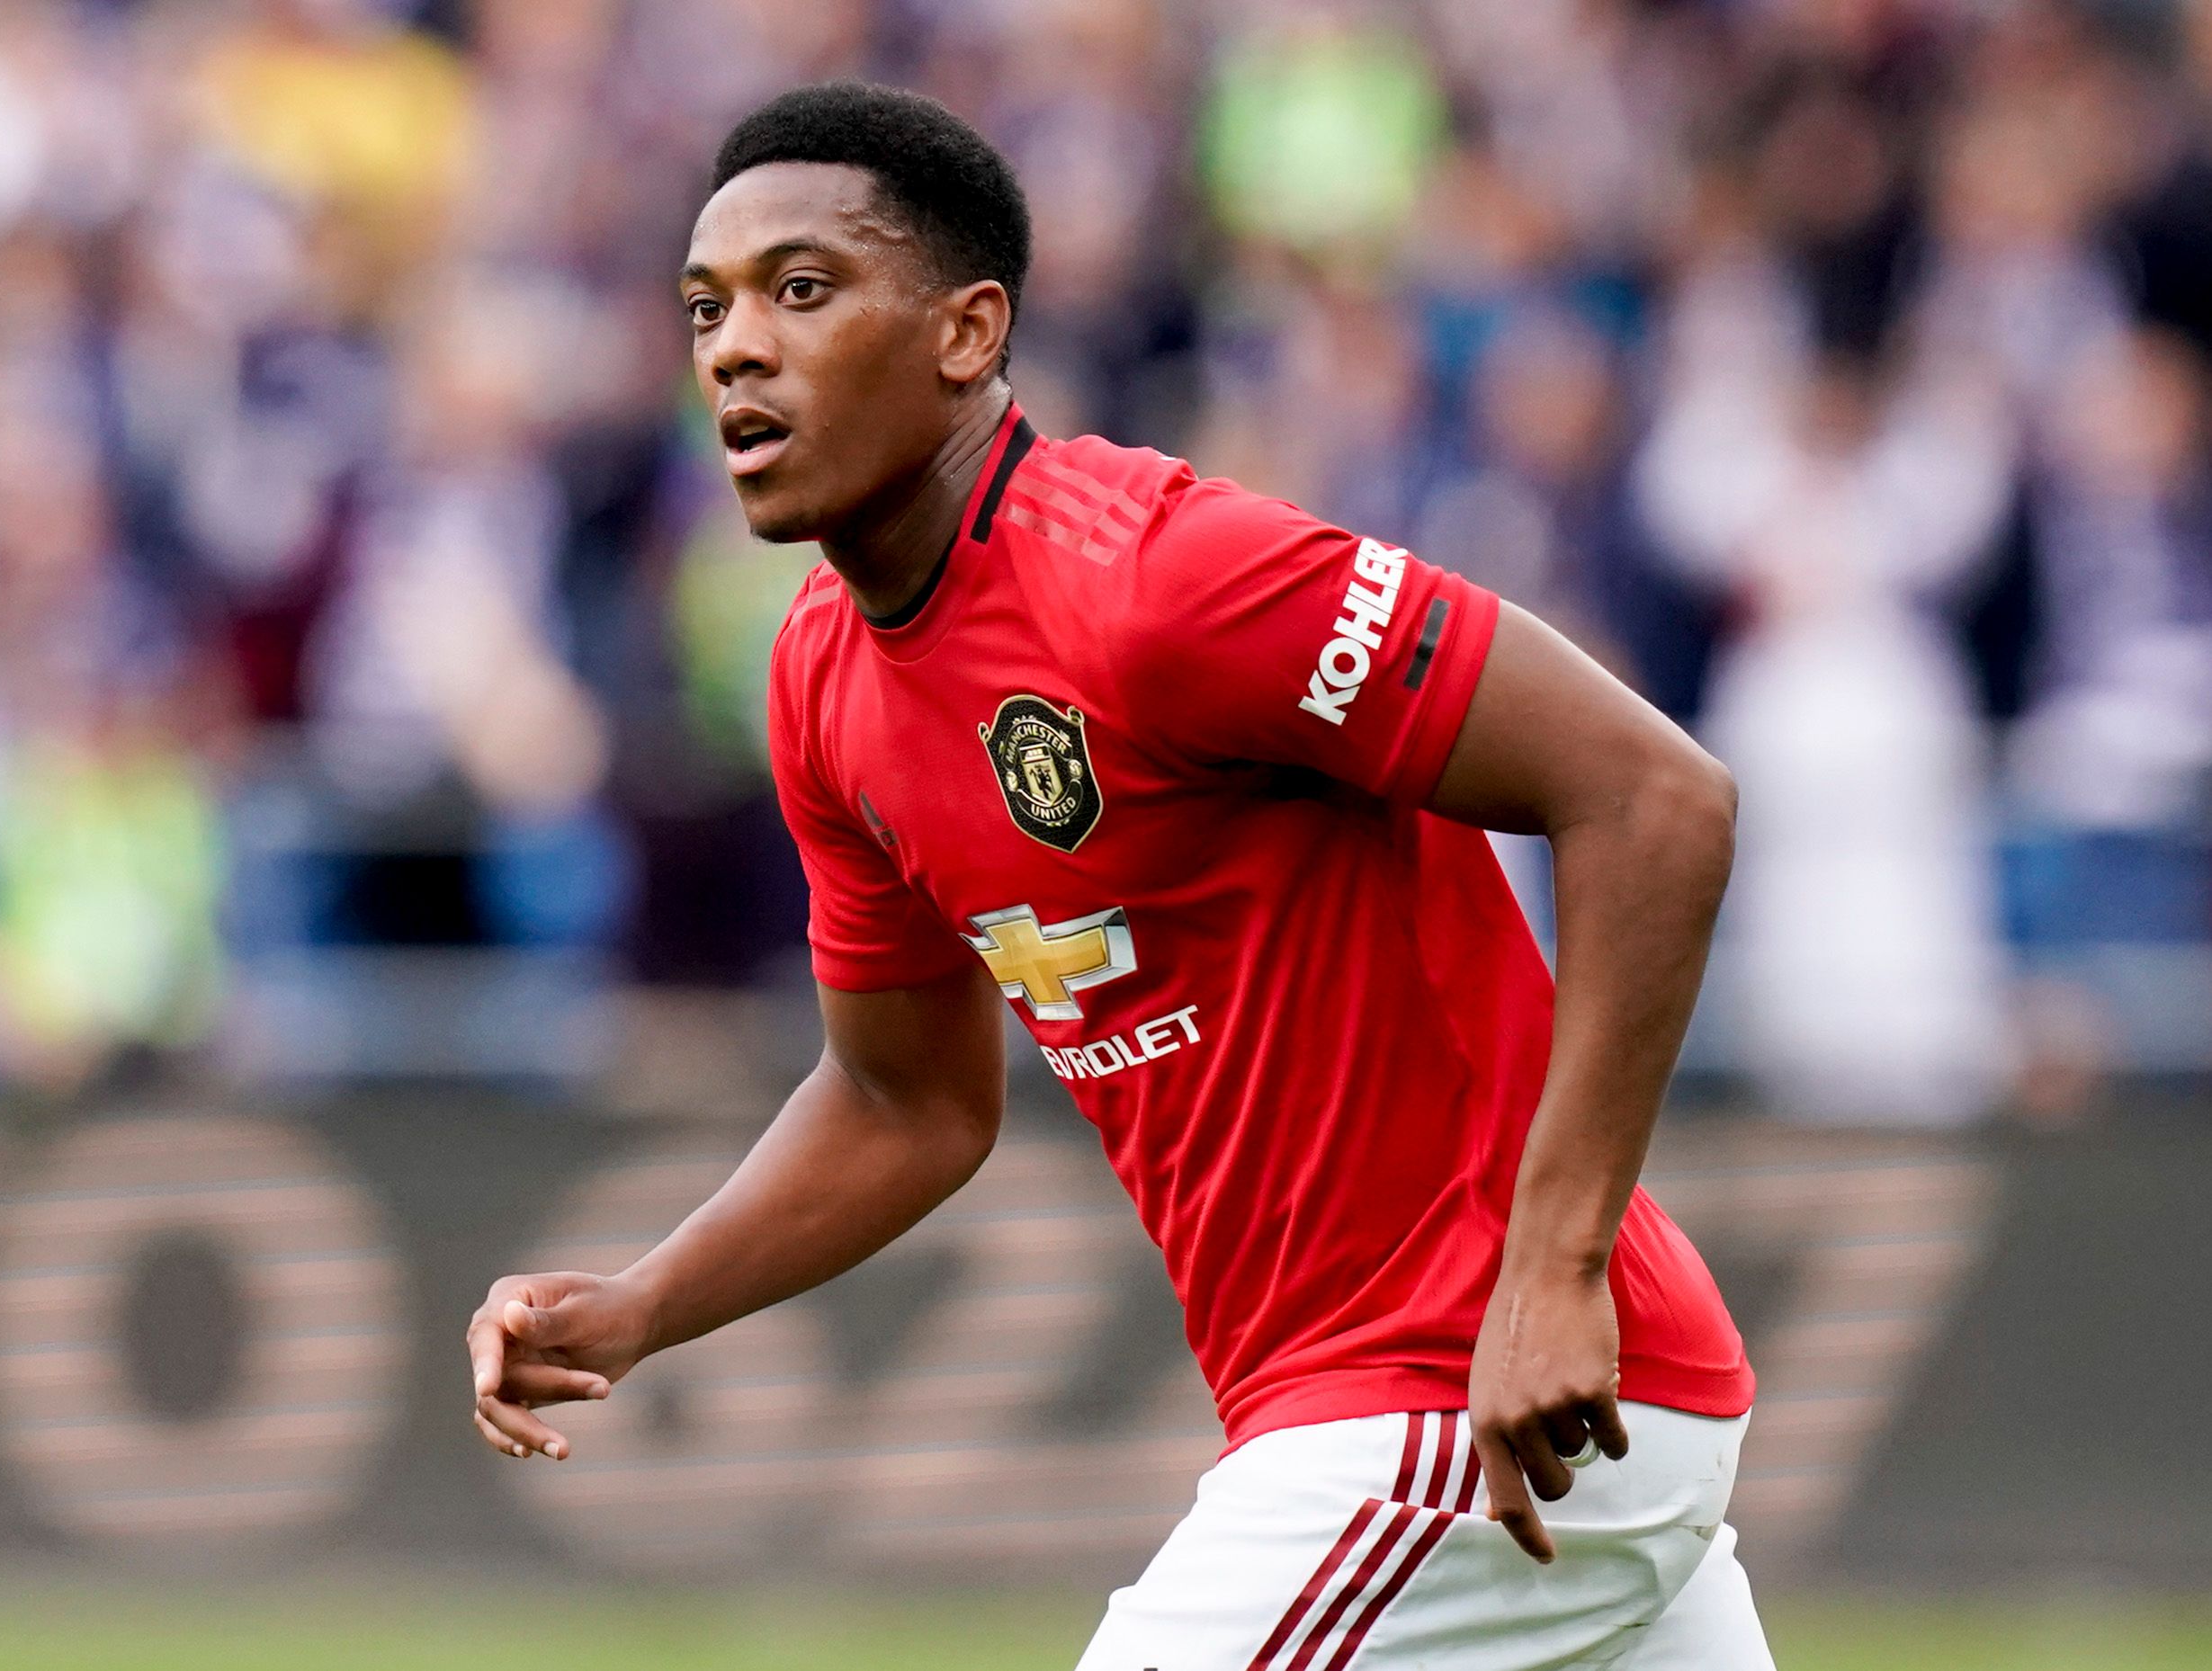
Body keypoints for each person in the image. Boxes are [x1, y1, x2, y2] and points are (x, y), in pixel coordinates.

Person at [468, 82, 1769, 1669]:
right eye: (706, 307)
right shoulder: (821, 682)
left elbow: (1655, 795)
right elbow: (903, 1099)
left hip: (1462, 1391)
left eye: (801, 290)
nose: (737, 347)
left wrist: (1553, 1267)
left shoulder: (1162, 578)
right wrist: (643, 1304)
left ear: (967, 333)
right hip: (1458, 1414)